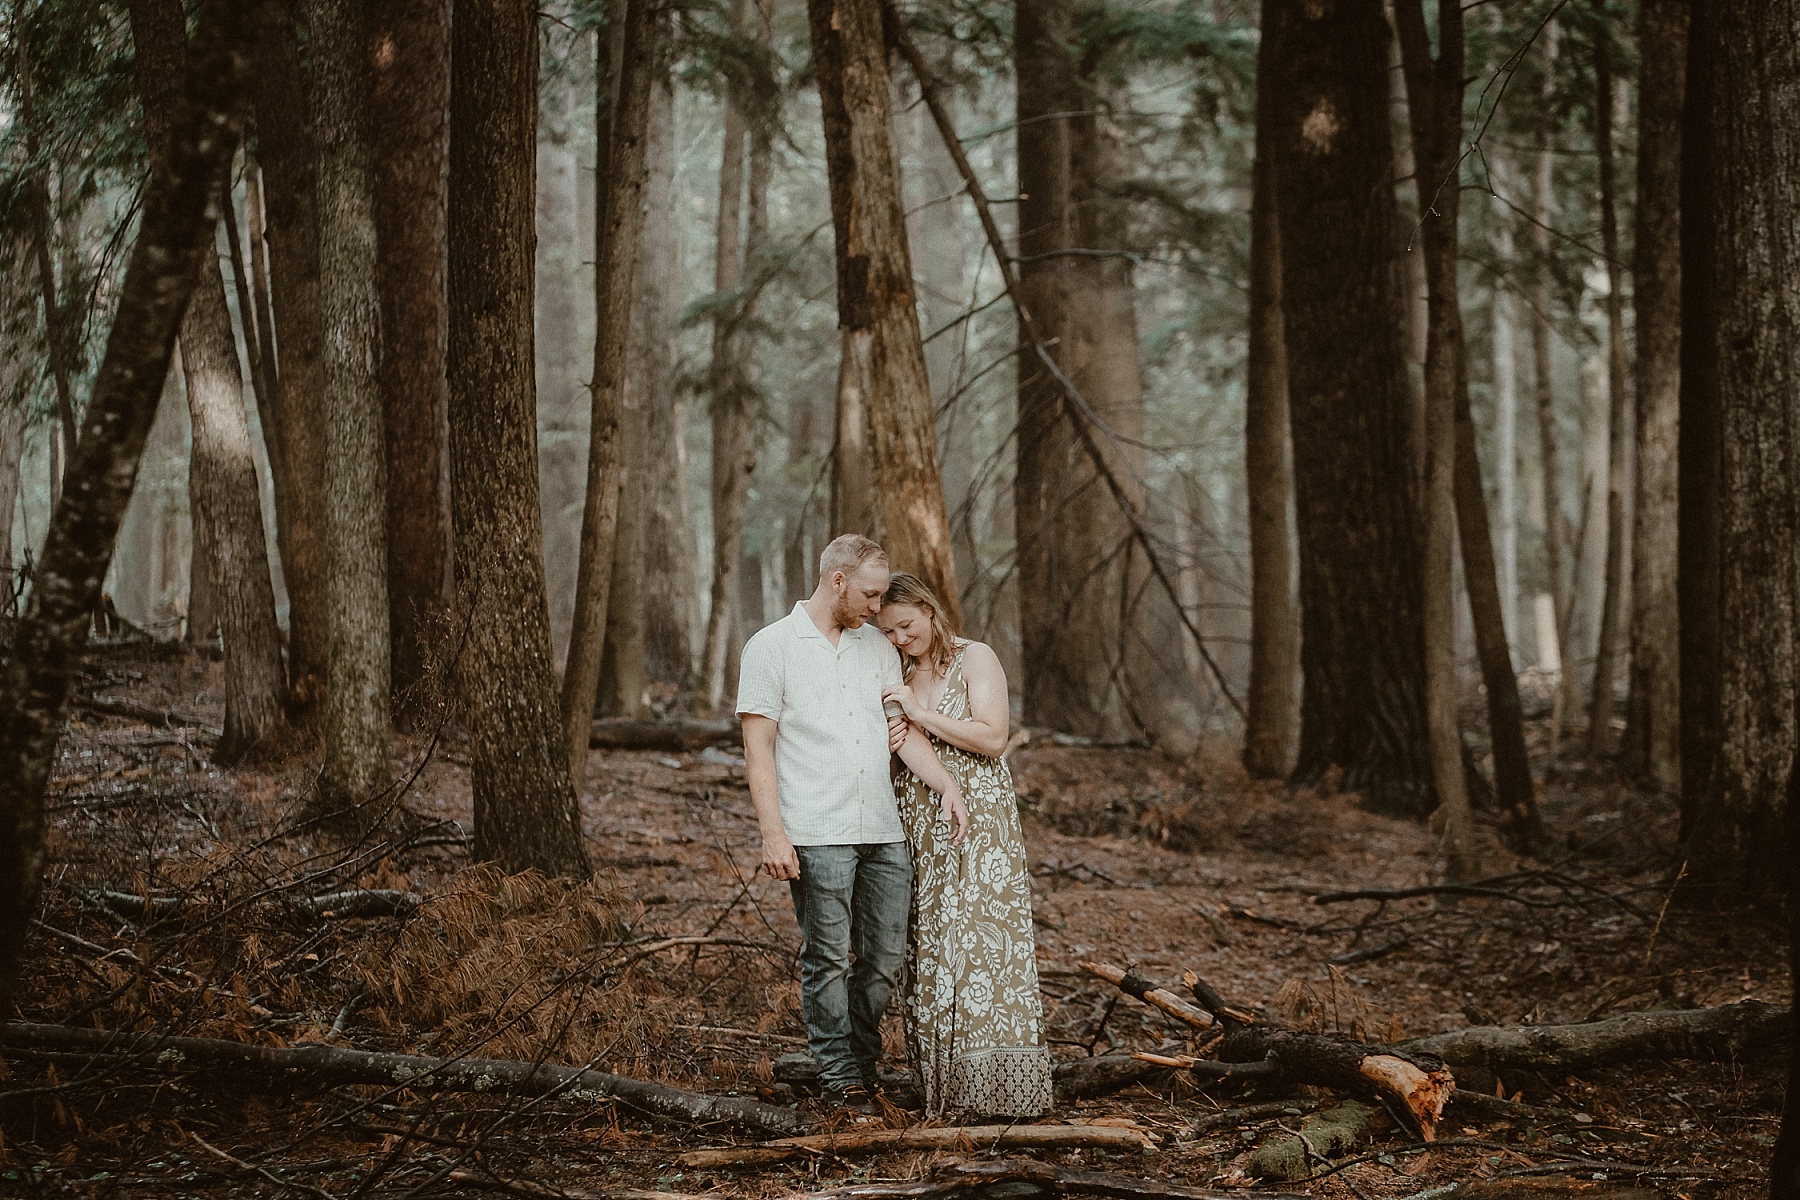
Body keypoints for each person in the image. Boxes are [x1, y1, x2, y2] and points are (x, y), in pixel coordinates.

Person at [736, 535, 969, 1109]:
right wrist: (773, 832)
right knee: (826, 955)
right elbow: (758, 747)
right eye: (869, 593)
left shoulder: (878, 650)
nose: (877, 606)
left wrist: (947, 785)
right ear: (838, 581)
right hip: (817, 832)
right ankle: (842, 1076)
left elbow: (902, 733)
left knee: (886, 957)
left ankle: (858, 1059)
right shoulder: (771, 647)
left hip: (883, 831)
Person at [878, 572, 1053, 1117]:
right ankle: (947, 1094)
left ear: (928, 611)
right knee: (931, 940)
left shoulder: (976, 658)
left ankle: (1001, 1088)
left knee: (982, 938)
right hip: (918, 816)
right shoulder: (896, 670)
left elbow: (993, 736)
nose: (901, 639)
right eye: (888, 632)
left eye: (906, 625)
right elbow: (899, 740)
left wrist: (922, 713)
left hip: (979, 816)